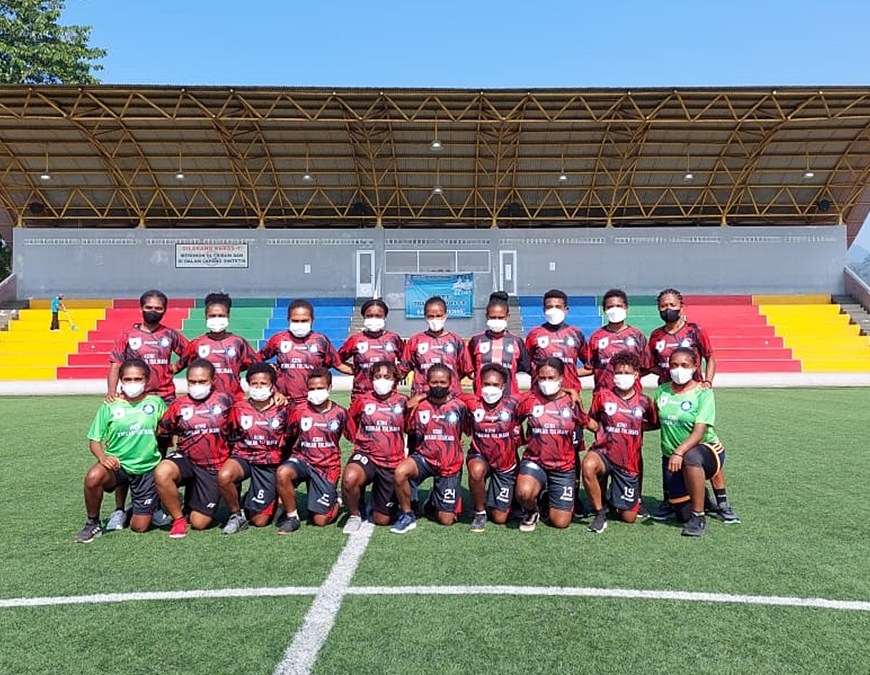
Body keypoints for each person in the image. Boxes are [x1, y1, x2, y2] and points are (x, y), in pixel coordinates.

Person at [103, 289, 189, 531]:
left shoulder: (170, 335)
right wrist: (112, 392)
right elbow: (115, 364)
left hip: (163, 400)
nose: (153, 311)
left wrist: (175, 367)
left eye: (158, 308)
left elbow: (190, 353)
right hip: (132, 401)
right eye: (149, 307)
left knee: (158, 453)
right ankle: (119, 509)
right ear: (141, 308)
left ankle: (156, 503)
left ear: (165, 310)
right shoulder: (127, 335)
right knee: (125, 452)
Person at [75, 359, 167, 543]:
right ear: (121, 380)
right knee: (93, 477)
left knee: (139, 527)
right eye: (128, 379)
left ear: (146, 380)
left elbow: (167, 431)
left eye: (137, 379)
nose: (132, 383)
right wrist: (103, 457)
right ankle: (92, 523)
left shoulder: (156, 403)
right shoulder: (110, 405)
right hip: (118, 466)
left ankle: (141, 507)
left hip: (146, 468)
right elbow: (94, 440)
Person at [653, 347, 739, 537]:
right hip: (673, 458)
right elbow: (655, 422)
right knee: (682, 514)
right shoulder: (661, 391)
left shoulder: (703, 392)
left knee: (691, 457)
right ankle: (703, 499)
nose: (679, 370)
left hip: (706, 450)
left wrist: (679, 452)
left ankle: (699, 517)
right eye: (674, 365)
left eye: (684, 365)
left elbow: (699, 432)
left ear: (694, 367)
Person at [155, 359, 235, 538]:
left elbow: (242, 422)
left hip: (214, 465)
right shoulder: (179, 404)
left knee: (199, 523)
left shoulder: (226, 400)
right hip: (186, 459)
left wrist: (278, 396)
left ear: (213, 380)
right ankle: (178, 519)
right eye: (192, 381)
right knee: (162, 472)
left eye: (202, 381)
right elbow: (164, 429)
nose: (197, 386)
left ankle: (197, 498)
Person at [582, 351, 657, 533]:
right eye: (618, 373)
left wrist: (634, 427)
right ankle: (600, 513)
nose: (622, 376)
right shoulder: (602, 396)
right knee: (588, 464)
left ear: (636, 375)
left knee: (628, 517)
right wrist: (602, 430)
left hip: (628, 461)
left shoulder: (644, 401)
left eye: (627, 373)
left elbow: (655, 423)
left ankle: (614, 495)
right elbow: (593, 421)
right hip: (604, 453)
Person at [391, 364, 468, 534]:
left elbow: (468, 429)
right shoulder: (420, 406)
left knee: (446, 520)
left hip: (449, 463)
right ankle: (407, 515)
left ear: (450, 383)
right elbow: (406, 428)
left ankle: (434, 498)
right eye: (434, 382)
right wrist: (410, 405)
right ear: (427, 382)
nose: (438, 386)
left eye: (442, 382)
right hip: (424, 459)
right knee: (400, 472)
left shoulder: (460, 406)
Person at [514, 358, 588, 532]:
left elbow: (587, 423)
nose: (546, 382)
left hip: (563, 467)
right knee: (524, 492)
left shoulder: (572, 401)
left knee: (560, 523)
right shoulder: (529, 400)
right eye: (542, 378)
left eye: (551, 377)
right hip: (535, 461)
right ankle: (532, 511)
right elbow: (513, 418)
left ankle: (547, 496)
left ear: (561, 378)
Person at [218, 363, 290, 534]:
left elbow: (291, 439)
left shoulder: (283, 408)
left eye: (263, 384)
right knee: (224, 476)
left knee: (259, 521)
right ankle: (236, 515)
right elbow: (228, 432)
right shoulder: (238, 408)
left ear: (272, 385)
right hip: (243, 455)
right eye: (254, 384)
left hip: (268, 462)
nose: (258, 388)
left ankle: (263, 497)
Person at [276, 368, 348, 533]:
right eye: (312, 388)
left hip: (326, 466)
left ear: (329, 388)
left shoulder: (340, 413)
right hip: (302, 460)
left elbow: (354, 437)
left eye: (320, 388)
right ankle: (292, 517)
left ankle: (338, 498)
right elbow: (288, 436)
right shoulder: (299, 411)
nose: (316, 392)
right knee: (283, 472)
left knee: (320, 520)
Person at [343, 361, 408, 532]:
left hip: (391, 461)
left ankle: (377, 501)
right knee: (350, 477)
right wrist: (360, 441)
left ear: (395, 380)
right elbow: (350, 424)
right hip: (366, 455)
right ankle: (355, 514)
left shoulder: (403, 401)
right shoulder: (362, 400)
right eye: (378, 377)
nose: (382, 381)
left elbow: (410, 428)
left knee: (383, 520)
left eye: (387, 377)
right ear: (371, 379)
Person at [462, 363, 523, 532]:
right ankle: (479, 512)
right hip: (479, 455)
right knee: (476, 470)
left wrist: (569, 391)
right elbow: (446, 395)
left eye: (495, 385)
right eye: (486, 384)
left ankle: (501, 499)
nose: (490, 388)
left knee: (499, 518)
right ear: (480, 385)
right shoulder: (471, 401)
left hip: (505, 464)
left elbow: (538, 398)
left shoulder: (515, 403)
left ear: (503, 387)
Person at [176, 292, 259, 397]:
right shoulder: (196, 344)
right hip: (205, 400)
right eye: (212, 316)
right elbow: (179, 366)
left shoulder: (239, 343)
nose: (217, 318)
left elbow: (257, 367)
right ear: (206, 317)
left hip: (233, 399)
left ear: (228, 316)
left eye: (221, 315)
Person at [259, 299, 342, 404]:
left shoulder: (321, 340)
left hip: (310, 402)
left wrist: (360, 370)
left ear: (312, 320)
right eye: (295, 321)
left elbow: (338, 365)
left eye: (304, 320)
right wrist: (269, 369)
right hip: (283, 402)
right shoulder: (278, 339)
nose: (300, 324)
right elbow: (256, 360)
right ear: (288, 319)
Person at [401, 295, 471, 398]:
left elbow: (467, 370)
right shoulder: (415, 341)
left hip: (450, 398)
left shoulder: (456, 341)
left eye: (439, 316)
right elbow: (403, 370)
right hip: (421, 399)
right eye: (431, 316)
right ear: (425, 316)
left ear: (445, 315)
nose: (435, 319)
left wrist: (452, 381)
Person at [337, 298, 404, 399]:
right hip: (361, 395)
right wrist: (355, 370)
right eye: (369, 316)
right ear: (364, 317)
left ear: (385, 317)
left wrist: (395, 375)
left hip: (389, 396)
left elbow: (407, 362)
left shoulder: (393, 338)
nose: (374, 319)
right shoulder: (355, 339)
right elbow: (336, 361)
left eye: (378, 316)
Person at [524, 289, 589, 394]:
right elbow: (525, 365)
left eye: (558, 307)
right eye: (549, 307)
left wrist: (570, 372)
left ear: (566, 310)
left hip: (570, 394)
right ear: (544, 310)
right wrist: (542, 375)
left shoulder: (576, 334)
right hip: (540, 395)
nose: (553, 310)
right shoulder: (534, 334)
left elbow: (590, 366)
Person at [584, 289, 649, 392]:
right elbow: (590, 367)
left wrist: (628, 379)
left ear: (626, 308)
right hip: (603, 394)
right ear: (604, 310)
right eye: (610, 307)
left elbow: (647, 367)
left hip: (632, 395)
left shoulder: (637, 335)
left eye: (619, 306)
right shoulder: (596, 336)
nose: (615, 310)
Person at [467, 291, 530, 397]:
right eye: (493, 317)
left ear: (507, 317)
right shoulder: (476, 340)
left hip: (510, 399)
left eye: (500, 317)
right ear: (487, 316)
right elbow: (469, 369)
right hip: (481, 399)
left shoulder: (517, 341)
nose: (496, 320)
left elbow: (526, 368)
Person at [648, 288, 716, 387]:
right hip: (666, 389)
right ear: (658, 309)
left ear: (681, 307)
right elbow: (650, 363)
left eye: (672, 305)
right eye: (663, 306)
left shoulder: (694, 331)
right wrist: (665, 371)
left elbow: (709, 357)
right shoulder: (656, 335)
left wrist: (708, 381)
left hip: (694, 388)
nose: (668, 309)